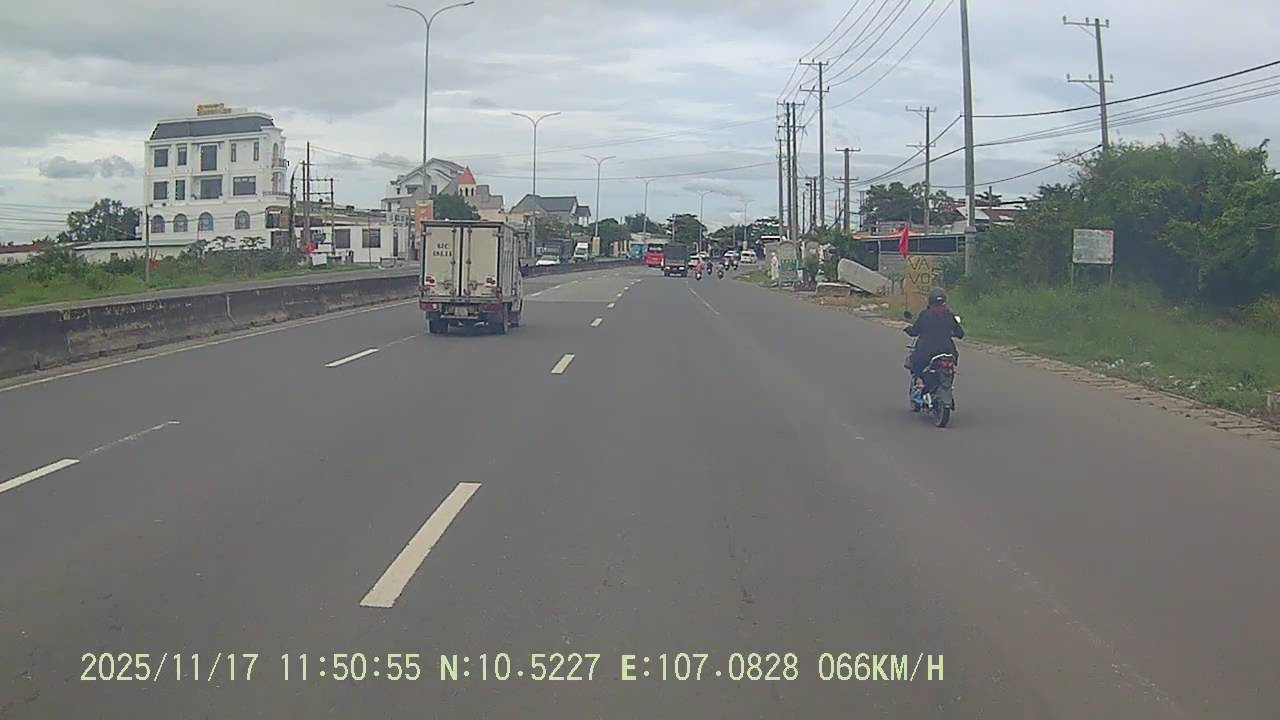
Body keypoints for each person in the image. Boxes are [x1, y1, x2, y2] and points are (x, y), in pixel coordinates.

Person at [904, 288, 964, 382]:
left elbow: (914, 331)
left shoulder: (925, 314)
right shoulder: (949, 315)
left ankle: (919, 385)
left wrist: (908, 329)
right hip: (947, 351)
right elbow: (960, 334)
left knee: (915, 365)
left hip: (926, 352)